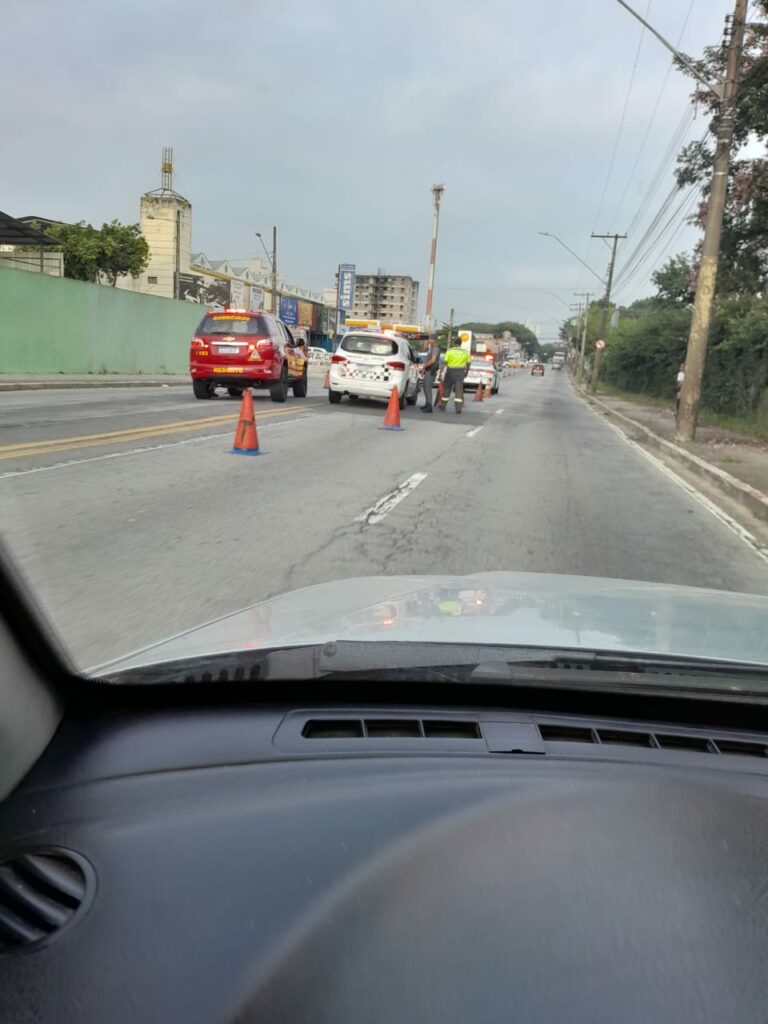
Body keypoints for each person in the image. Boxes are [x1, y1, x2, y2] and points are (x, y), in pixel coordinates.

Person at [439, 337, 471, 413]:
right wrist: (466, 372)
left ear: (454, 343)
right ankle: (458, 408)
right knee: (458, 391)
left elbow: (444, 363)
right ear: (461, 343)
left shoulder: (449, 351)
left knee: (447, 389)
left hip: (450, 372)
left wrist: (441, 372)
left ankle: (443, 406)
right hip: (460, 373)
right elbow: (468, 364)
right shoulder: (466, 352)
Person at [420, 334, 441, 413]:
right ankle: (427, 404)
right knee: (425, 387)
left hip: (431, 370)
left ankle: (429, 406)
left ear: (435, 340)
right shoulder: (431, 347)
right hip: (428, 369)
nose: (429, 340)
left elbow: (433, 360)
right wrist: (425, 344)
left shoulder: (435, 348)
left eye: (430, 339)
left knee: (428, 388)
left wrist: (424, 366)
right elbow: (424, 349)